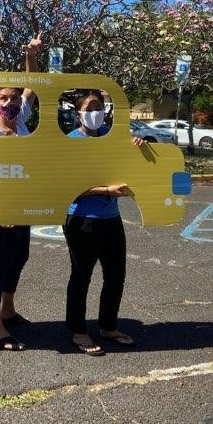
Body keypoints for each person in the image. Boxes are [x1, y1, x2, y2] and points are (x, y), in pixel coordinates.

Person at [63, 90, 143, 356]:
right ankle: (79, 331)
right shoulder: (70, 142)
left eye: (99, 107)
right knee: (81, 276)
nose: (95, 112)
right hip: (82, 220)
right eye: (90, 108)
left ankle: (108, 326)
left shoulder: (112, 138)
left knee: (116, 275)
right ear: (78, 113)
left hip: (112, 219)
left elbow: (127, 170)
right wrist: (105, 191)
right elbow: (66, 187)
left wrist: (137, 148)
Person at [0, 33, 42, 351]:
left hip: (23, 205)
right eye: (3, 99)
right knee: (0, 261)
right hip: (0, 210)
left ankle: (8, 309)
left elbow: (31, 86)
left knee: (20, 256)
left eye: (13, 99)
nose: (10, 103)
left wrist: (31, 56)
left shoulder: (21, 123)